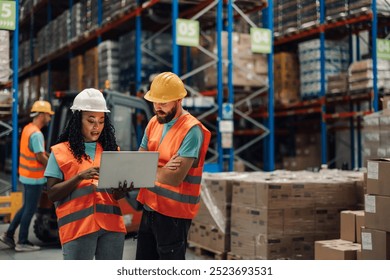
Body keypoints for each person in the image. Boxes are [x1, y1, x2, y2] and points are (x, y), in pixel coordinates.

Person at [43, 88, 132, 260]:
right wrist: (79, 177)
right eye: (91, 120)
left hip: (112, 227)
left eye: (101, 121)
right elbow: (52, 193)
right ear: (78, 120)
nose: (96, 126)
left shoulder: (112, 151)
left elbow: (115, 195)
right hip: (78, 229)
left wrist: (123, 188)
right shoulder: (60, 152)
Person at [135, 72, 211, 260]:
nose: (157, 108)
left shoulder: (192, 130)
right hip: (149, 208)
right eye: (154, 102)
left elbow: (174, 177)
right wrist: (163, 168)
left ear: (178, 100)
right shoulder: (154, 122)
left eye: (163, 103)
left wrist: (150, 168)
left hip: (174, 215)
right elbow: (138, 163)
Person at [0, 100, 54, 252]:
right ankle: (22, 241)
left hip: (26, 176)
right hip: (34, 178)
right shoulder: (37, 134)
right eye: (48, 115)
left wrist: (52, 157)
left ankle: (9, 234)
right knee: (30, 209)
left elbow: (40, 153)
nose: (49, 118)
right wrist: (53, 167)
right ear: (42, 115)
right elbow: (39, 157)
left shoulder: (28, 129)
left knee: (26, 207)